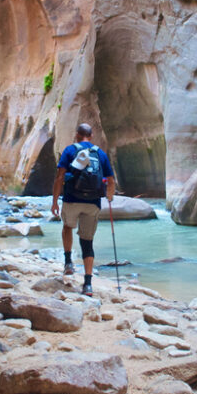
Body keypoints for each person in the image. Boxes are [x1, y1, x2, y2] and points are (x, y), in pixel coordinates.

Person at [51, 122, 115, 296]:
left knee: (67, 227)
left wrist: (55, 201)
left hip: (72, 199)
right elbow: (110, 180)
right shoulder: (100, 154)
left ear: (76, 135)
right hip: (93, 203)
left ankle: (68, 262)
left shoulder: (70, 150)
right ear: (91, 136)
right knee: (87, 242)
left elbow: (59, 177)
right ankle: (87, 284)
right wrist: (109, 197)